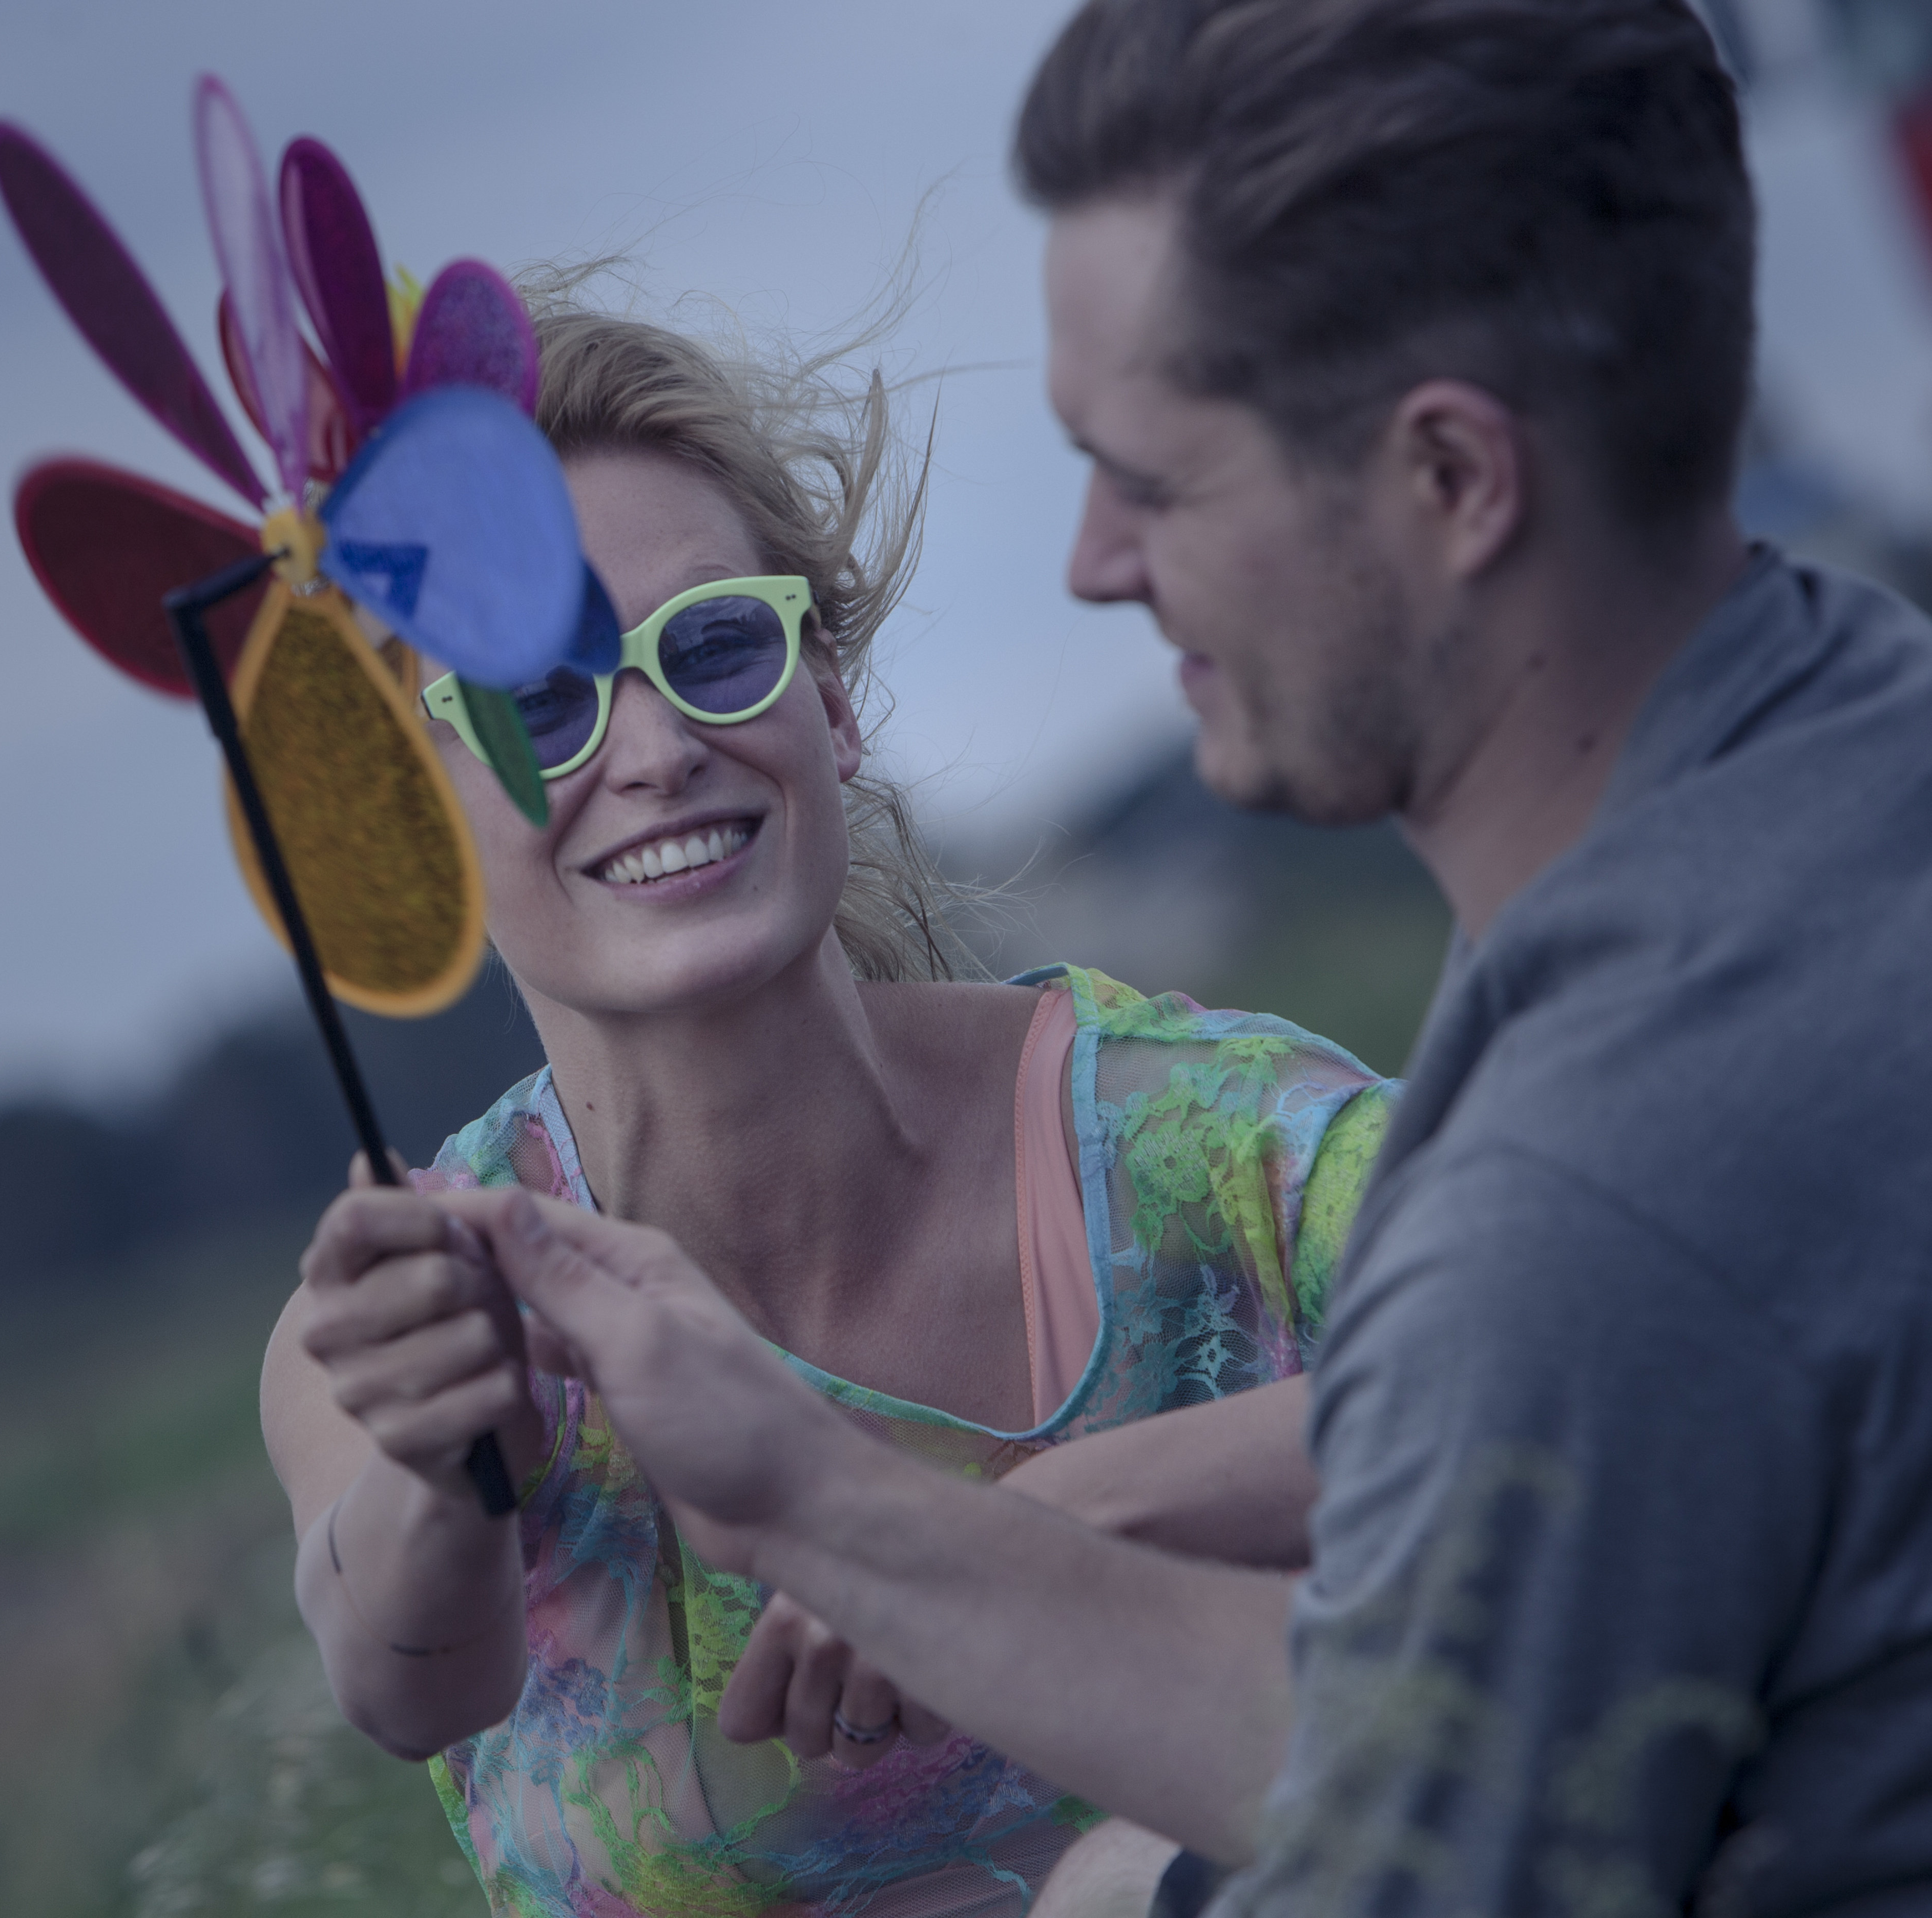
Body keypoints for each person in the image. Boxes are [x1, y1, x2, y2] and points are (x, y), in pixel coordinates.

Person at [422, 0, 1932, 1911]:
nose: (1091, 563)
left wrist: (843, 1516)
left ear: (1454, 480)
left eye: (1156, 473)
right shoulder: (1844, 774)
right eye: (534, 702)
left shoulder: (1607, 1153)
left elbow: (1438, 1808)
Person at [262, 286, 1396, 1916]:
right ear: (416, 825)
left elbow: (1610, 1327)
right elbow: (406, 1680)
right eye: (537, 706)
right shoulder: (394, 1320)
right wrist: (455, 1469)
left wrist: (1044, 1523)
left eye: (713, 648)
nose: (653, 749)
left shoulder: (1188, 1141)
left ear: (832, 704)